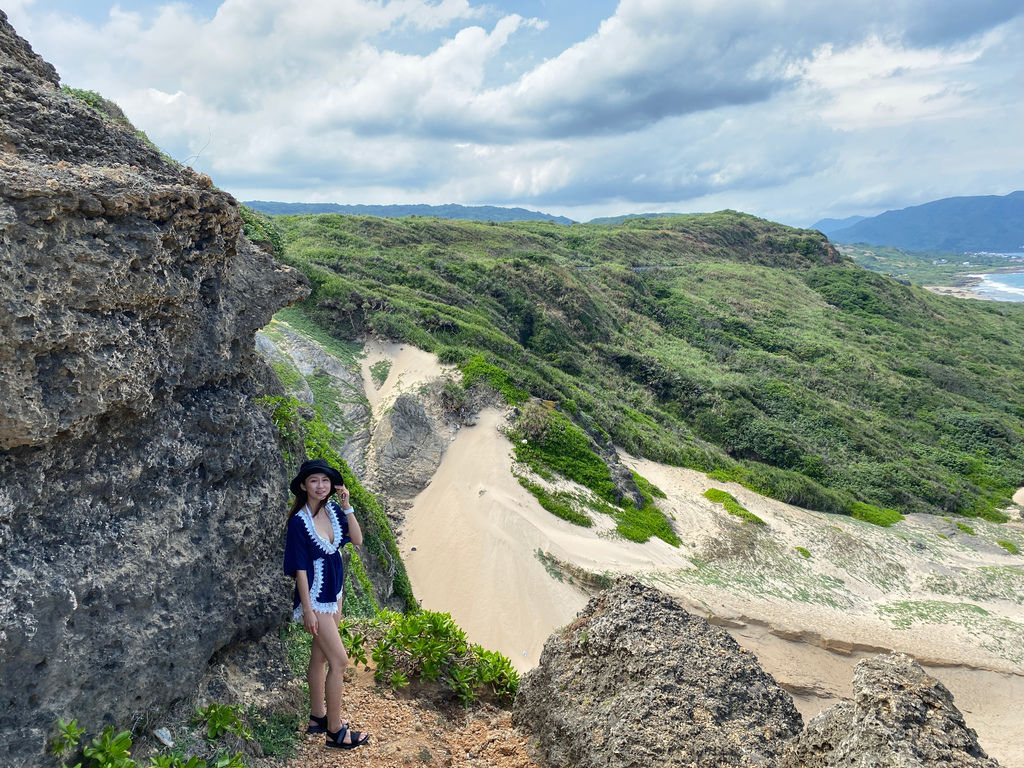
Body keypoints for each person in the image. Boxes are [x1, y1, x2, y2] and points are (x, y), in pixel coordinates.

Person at [283, 458, 371, 750]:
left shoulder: (333, 510)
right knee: (340, 661)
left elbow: (357, 540)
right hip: (316, 597)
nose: (320, 486)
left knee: (319, 657)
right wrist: (307, 610)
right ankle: (334, 731)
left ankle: (317, 717)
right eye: (314, 481)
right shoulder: (299, 522)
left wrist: (347, 506)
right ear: (304, 486)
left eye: (325, 480)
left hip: (335, 591)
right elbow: (300, 569)